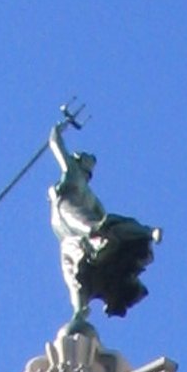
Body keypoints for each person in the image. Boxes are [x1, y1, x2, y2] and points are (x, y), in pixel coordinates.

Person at [47, 117, 160, 322]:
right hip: (68, 238)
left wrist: (57, 130)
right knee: (71, 272)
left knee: (89, 228)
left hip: (69, 214)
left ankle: (133, 234)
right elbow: (104, 216)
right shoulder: (91, 197)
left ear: (80, 165)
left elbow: (55, 144)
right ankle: (79, 310)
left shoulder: (73, 173)